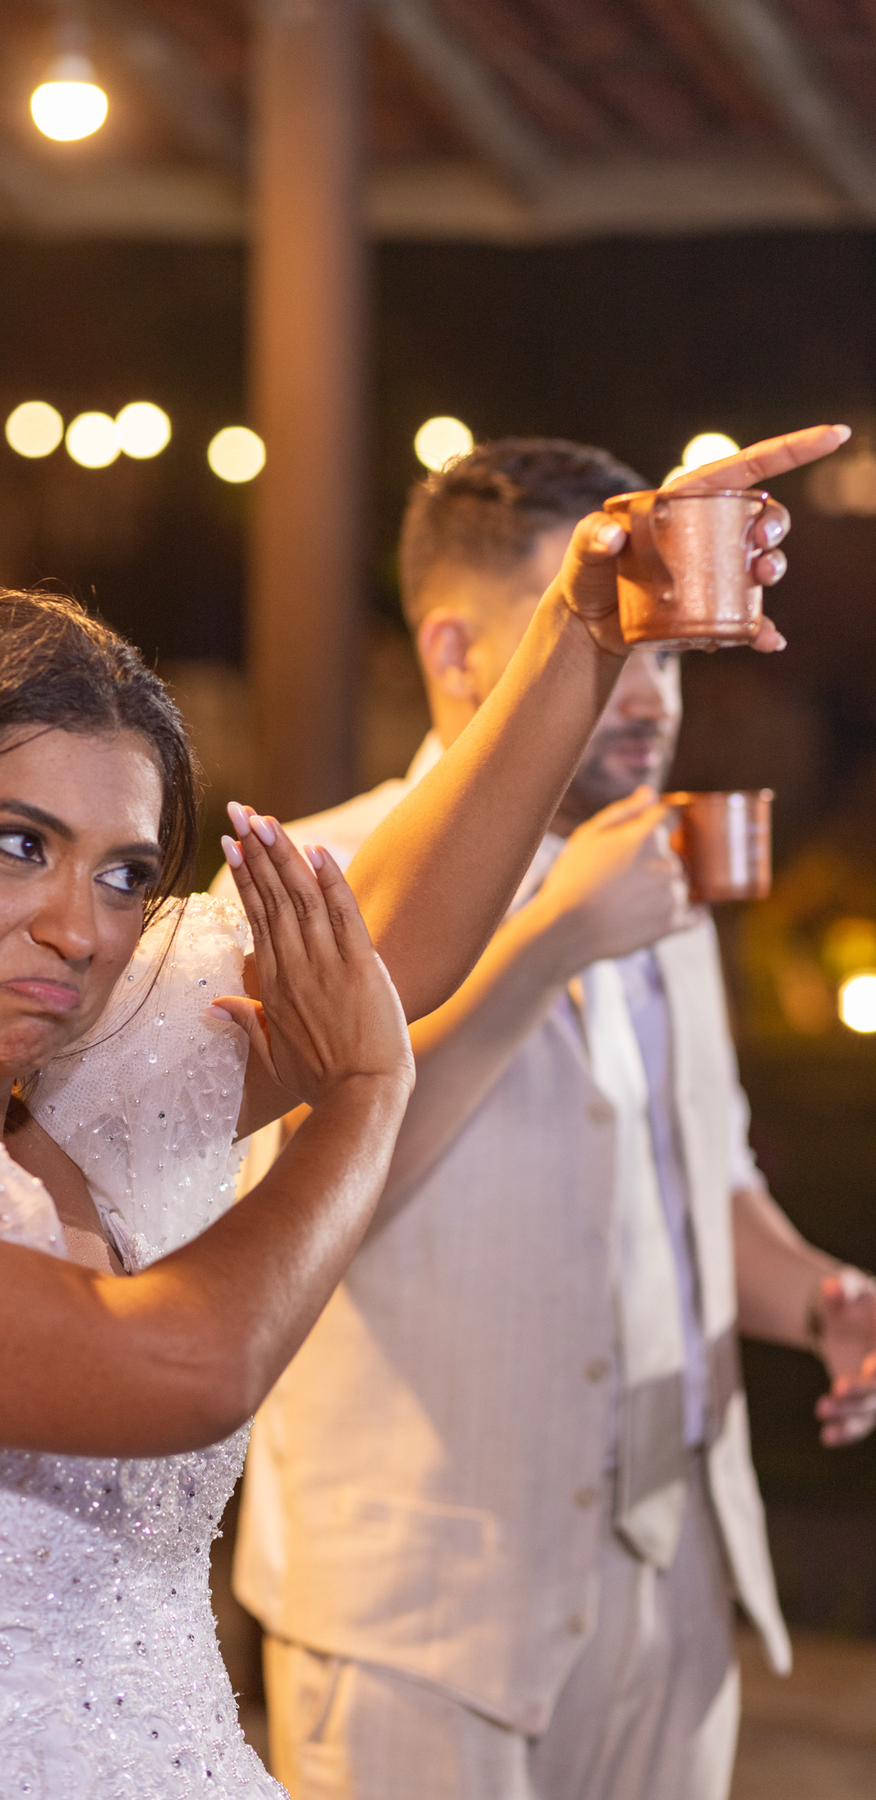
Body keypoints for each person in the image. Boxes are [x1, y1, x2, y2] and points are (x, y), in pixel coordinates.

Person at [0, 426, 841, 1797]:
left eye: (124, 874)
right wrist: (364, 1095)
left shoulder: (87, 1092)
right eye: (17, 844)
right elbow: (188, 1367)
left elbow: (382, 942)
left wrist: (583, 628)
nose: (76, 928)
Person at [226, 436, 876, 1800]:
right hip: (415, 1622)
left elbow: (707, 1180)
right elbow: (289, 1227)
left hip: (667, 1597)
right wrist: (541, 949)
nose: (647, 698)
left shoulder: (662, 870)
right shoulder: (320, 879)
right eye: (599, 642)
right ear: (457, 649)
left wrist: (822, 1299)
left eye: (664, 654)